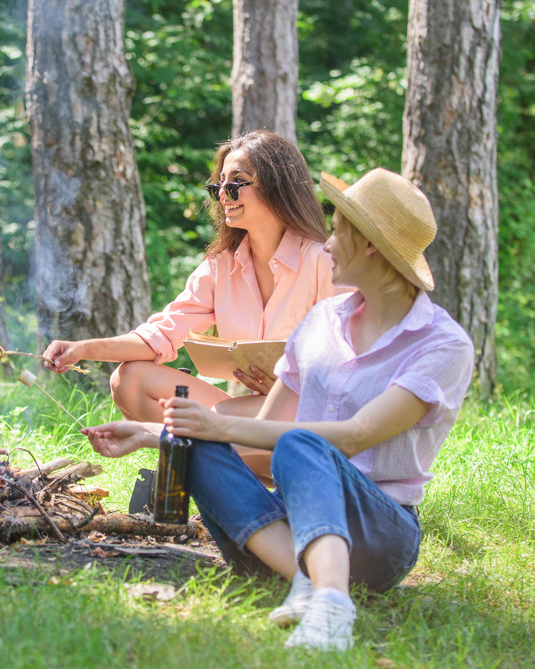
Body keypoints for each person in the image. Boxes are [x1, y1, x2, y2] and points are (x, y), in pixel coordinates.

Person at [82, 168, 474, 651]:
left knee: (302, 443)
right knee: (201, 444)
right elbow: (262, 431)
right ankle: (307, 579)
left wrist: (218, 421)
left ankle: (331, 602)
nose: (327, 245)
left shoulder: (442, 344)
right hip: (278, 532)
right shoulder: (322, 322)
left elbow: (352, 436)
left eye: (339, 232)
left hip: (379, 535)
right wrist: (153, 434)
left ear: (371, 245)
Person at [42, 130, 339, 480]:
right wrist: (81, 349)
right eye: (218, 187)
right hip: (243, 413)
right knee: (130, 379)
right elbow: (160, 335)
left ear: (277, 186)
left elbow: (347, 366)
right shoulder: (220, 267)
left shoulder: (322, 262)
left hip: (312, 415)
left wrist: (286, 385)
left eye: (236, 184)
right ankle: (226, 471)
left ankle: (210, 462)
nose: (223, 196)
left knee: (226, 415)